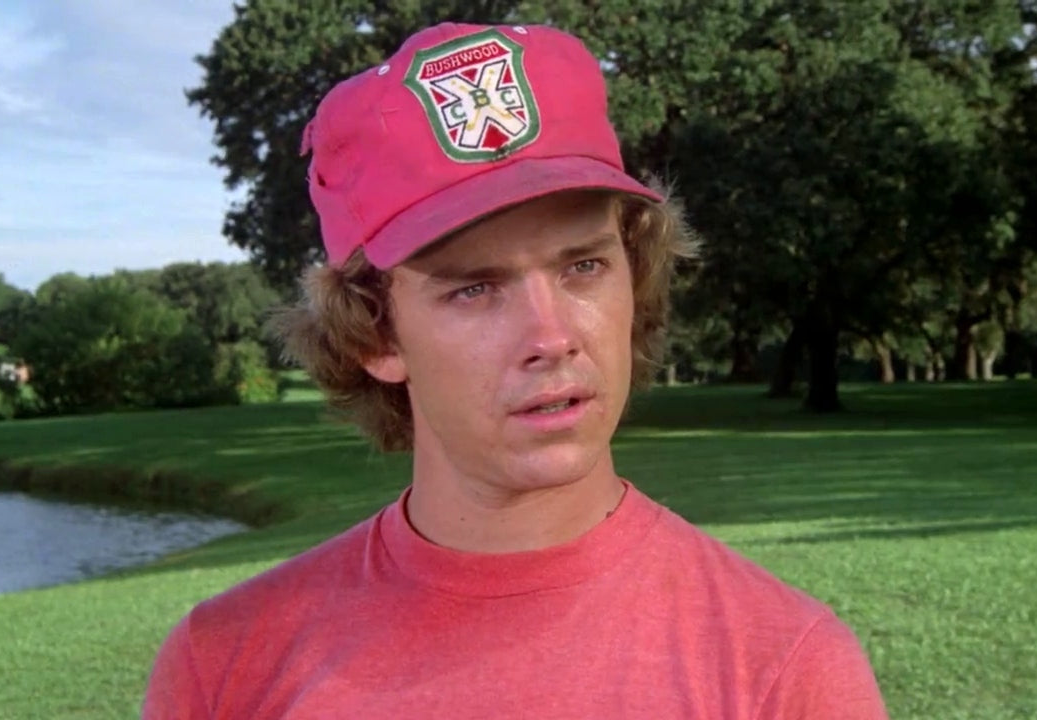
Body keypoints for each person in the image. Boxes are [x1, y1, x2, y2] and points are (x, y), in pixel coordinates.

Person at [143, 22, 888, 719]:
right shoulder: (226, 669)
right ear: (375, 334)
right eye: (474, 287)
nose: (552, 335)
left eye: (585, 265)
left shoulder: (787, 669)